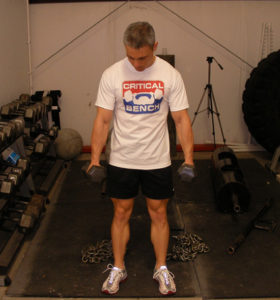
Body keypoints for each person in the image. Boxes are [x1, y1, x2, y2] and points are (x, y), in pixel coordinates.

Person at [88, 21, 194, 295]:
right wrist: (95, 159)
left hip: (156, 159)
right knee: (121, 212)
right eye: (131, 57)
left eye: (143, 57)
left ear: (155, 47)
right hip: (122, 159)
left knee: (158, 213)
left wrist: (189, 159)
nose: (135, 64)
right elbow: (102, 120)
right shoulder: (112, 74)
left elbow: (181, 120)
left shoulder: (170, 75)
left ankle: (161, 267)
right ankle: (118, 267)